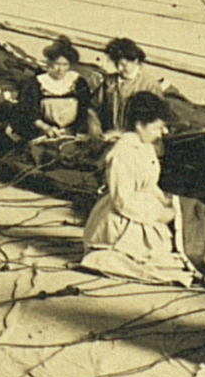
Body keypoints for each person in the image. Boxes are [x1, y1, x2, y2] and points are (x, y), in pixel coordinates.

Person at [81, 91, 194, 283]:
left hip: (142, 206)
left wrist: (166, 201)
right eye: (158, 127)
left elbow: (149, 185)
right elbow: (122, 201)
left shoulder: (146, 146)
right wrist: (157, 214)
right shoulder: (123, 152)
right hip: (122, 218)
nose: (163, 133)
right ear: (140, 125)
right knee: (158, 258)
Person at [9, 37, 100, 147]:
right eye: (57, 64)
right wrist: (46, 128)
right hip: (43, 132)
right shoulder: (36, 83)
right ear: (49, 63)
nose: (61, 69)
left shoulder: (78, 82)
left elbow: (85, 109)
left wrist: (74, 130)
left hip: (72, 132)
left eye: (65, 65)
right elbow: (30, 112)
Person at [93, 37, 172, 135]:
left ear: (135, 60)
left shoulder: (149, 85)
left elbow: (156, 122)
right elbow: (93, 109)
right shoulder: (110, 82)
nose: (119, 68)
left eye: (123, 64)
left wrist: (122, 134)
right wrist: (96, 132)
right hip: (110, 136)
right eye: (116, 64)